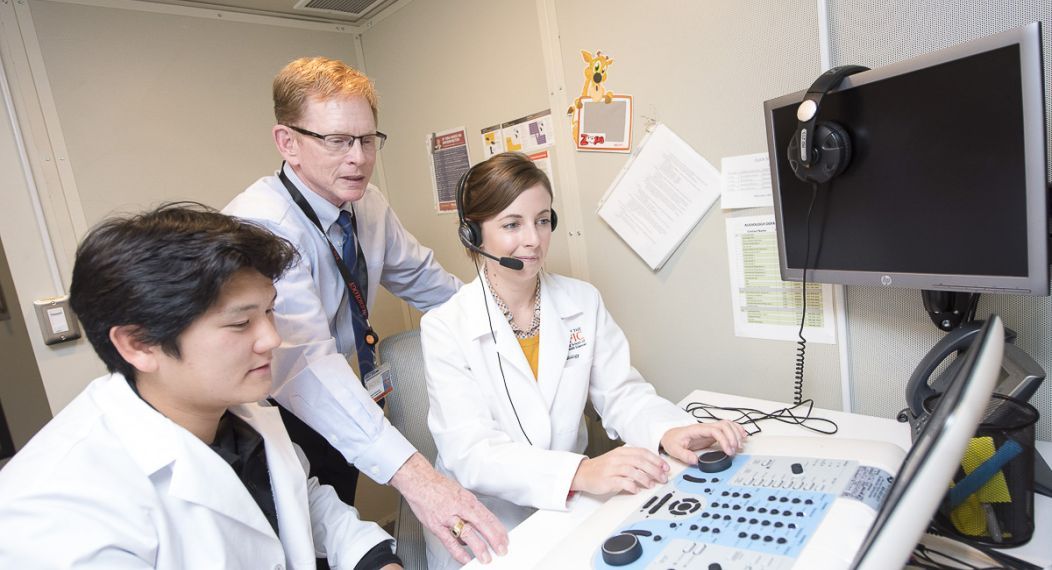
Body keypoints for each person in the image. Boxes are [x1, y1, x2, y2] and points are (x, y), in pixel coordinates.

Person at [0, 204, 402, 569]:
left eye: (269, 311)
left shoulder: (243, 415)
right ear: (139, 343)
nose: (271, 339)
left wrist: (375, 559)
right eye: (241, 323)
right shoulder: (53, 510)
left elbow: (303, 503)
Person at [223, 56, 506, 565]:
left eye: (367, 139)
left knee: (339, 530)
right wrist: (418, 478)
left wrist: (506, 326)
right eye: (336, 141)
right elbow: (304, 364)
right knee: (293, 544)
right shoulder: (261, 225)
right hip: (269, 406)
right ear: (287, 142)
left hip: (341, 398)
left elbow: (425, 280)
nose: (357, 157)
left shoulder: (365, 203)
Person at [420, 152, 749, 568]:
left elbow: (621, 393)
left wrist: (669, 430)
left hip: (567, 512)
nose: (533, 240)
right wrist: (579, 473)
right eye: (511, 224)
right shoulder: (445, 327)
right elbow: (473, 453)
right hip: (487, 531)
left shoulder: (581, 301)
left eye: (542, 220)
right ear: (472, 235)